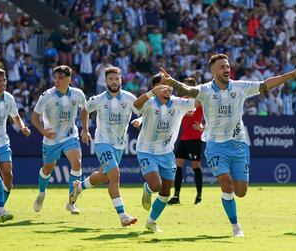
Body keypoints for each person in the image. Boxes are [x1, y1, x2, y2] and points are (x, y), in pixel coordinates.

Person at [160, 53, 296, 237]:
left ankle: (231, 206)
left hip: (238, 144)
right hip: (215, 145)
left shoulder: (240, 87)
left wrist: (292, 74)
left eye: (227, 66)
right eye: (222, 66)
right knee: (226, 182)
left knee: (241, 192)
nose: (226, 69)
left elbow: (266, 84)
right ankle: (235, 226)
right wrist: (172, 82)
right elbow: (188, 91)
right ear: (213, 71)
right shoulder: (206, 90)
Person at [69, 66, 138, 227]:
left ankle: (79, 186)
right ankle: (123, 216)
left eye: (116, 79)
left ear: (121, 80)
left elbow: (141, 112)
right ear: (105, 81)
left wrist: (139, 120)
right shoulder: (99, 99)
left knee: (103, 176)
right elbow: (85, 110)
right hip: (102, 142)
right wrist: (85, 130)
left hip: (119, 144)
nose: (114, 82)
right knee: (114, 175)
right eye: (110, 79)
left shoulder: (129, 98)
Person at [133, 73, 195, 232]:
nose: (167, 88)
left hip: (167, 153)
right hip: (146, 151)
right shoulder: (149, 103)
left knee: (166, 191)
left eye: (169, 85)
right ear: (155, 88)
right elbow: (136, 105)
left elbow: (199, 100)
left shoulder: (178, 103)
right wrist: (150, 93)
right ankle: (147, 189)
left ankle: (151, 221)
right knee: (155, 185)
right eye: (162, 85)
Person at [31, 65, 86, 214]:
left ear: (69, 79)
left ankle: (71, 202)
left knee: (77, 163)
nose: (56, 81)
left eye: (60, 78)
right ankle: (41, 193)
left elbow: (85, 110)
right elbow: (34, 117)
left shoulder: (78, 94)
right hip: (51, 139)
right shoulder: (47, 96)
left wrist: (85, 130)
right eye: (55, 78)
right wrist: (43, 131)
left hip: (70, 135)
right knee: (48, 167)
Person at [0, 69, 31, 217]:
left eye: (4, 80)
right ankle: (1, 208)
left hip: (3, 141)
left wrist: (23, 127)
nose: (3, 83)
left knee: (8, 175)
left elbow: (16, 116)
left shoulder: (9, 98)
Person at [167, 77, 204, 205]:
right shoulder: (182, 101)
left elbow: (211, 117)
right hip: (183, 138)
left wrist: (203, 127)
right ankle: (176, 197)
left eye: (187, 86)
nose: (184, 89)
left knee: (195, 167)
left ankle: (199, 197)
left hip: (195, 138)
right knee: (177, 166)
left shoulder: (199, 101)